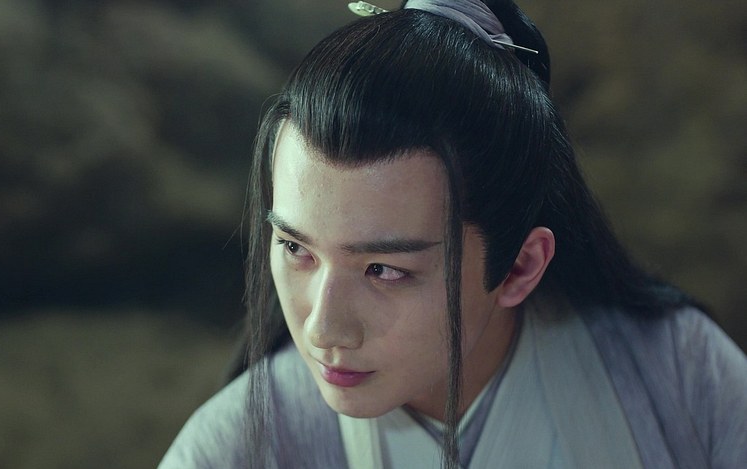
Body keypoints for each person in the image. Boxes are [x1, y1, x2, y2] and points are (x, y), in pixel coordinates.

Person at [160, 1, 747, 467]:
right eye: (295, 248)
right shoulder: (231, 449)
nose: (323, 328)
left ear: (520, 265)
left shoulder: (680, 375)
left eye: (384, 270)